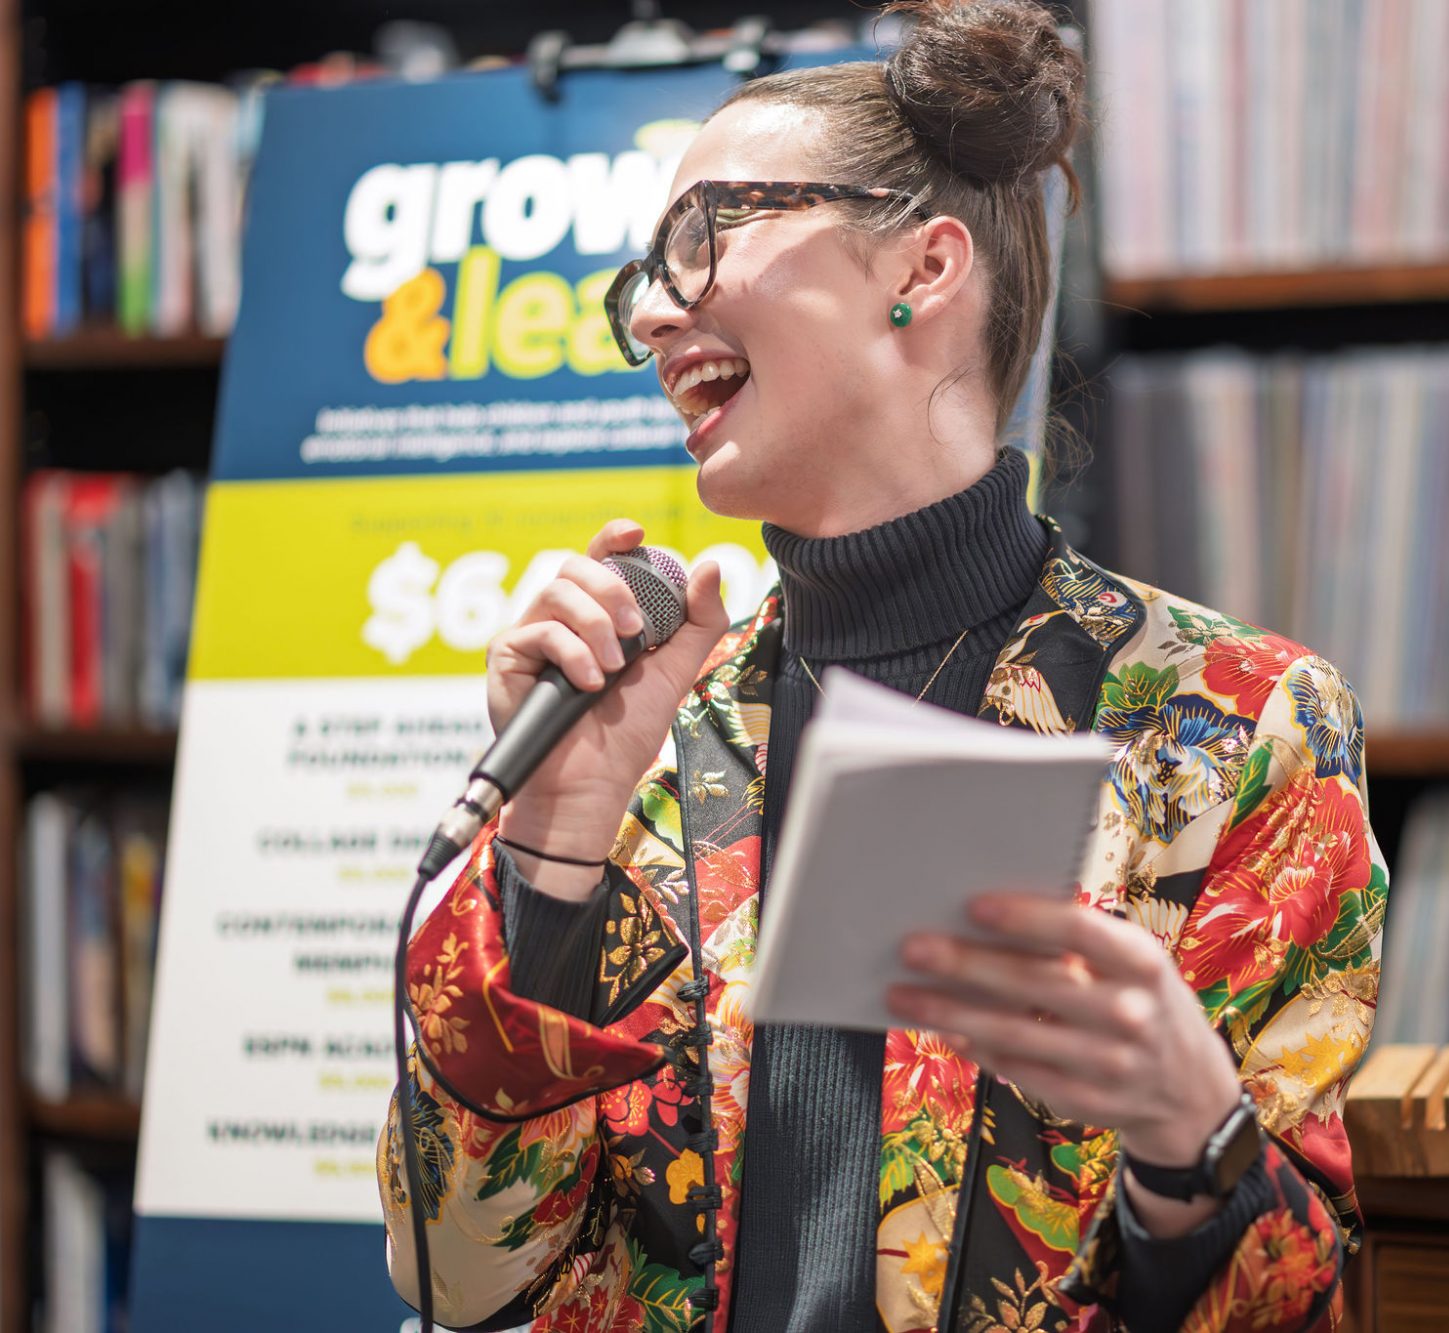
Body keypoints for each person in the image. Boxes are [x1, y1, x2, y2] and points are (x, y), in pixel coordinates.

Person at [377, 2, 1389, 1329]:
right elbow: (455, 1275)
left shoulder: (1236, 723)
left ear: (924, 262)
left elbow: (1298, 1303)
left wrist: (1189, 1146)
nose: (654, 313)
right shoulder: (639, 726)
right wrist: (551, 843)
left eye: (703, 235)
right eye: (642, 276)